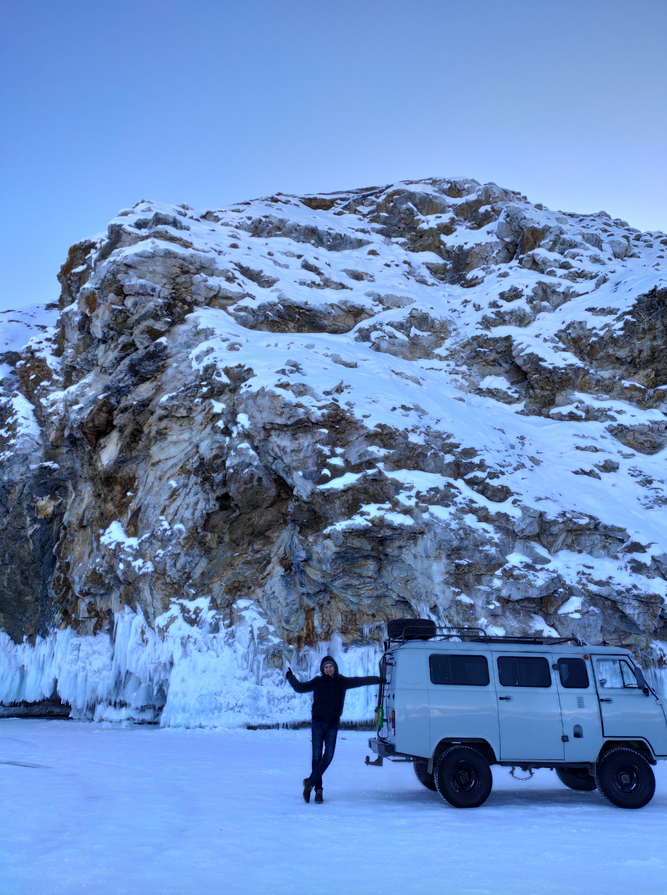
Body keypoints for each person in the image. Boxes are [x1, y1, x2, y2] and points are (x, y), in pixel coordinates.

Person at [286, 655, 382, 804]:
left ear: (335, 667)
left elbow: (359, 681)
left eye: (330, 666)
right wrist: (291, 678)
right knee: (316, 757)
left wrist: (377, 679)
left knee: (329, 756)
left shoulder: (341, 681)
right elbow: (300, 688)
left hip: (332, 724)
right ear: (322, 669)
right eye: (326, 667)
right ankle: (318, 791)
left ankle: (309, 783)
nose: (328, 669)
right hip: (318, 723)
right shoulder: (318, 681)